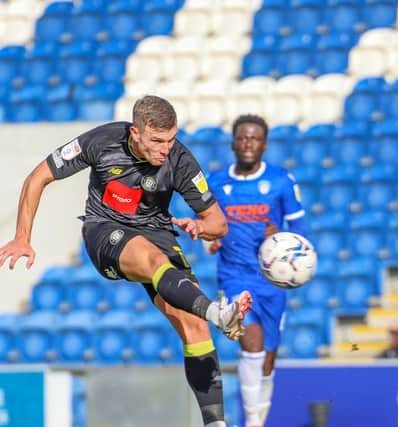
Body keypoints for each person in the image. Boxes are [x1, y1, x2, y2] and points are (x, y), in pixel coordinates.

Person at [0, 95, 253, 427]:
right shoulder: (101, 141)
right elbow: (37, 178)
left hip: (157, 231)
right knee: (152, 259)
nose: (166, 148)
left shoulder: (179, 160)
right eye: (158, 141)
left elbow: (219, 223)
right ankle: (218, 311)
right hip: (105, 230)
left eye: (171, 139)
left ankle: (215, 423)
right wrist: (22, 237)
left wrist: (202, 226)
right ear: (135, 133)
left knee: (194, 325)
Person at [206, 114, 307, 427]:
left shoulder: (281, 182)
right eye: (242, 138)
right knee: (252, 345)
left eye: (254, 138)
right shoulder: (217, 183)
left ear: (264, 144)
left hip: (272, 281)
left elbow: (301, 232)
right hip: (235, 277)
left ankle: (258, 419)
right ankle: (251, 422)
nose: (248, 143)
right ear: (234, 143)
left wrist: (280, 237)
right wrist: (209, 242)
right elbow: (205, 227)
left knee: (268, 358)